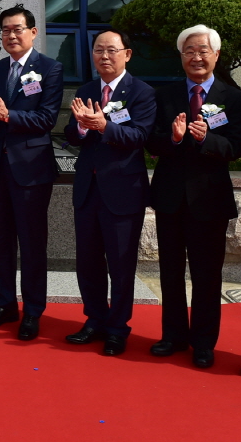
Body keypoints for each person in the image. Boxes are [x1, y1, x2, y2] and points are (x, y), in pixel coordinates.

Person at [147, 24, 241, 368]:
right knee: (170, 270)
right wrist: (174, 138)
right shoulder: (164, 96)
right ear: (181, 57)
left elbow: (235, 147)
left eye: (203, 51)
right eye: (189, 51)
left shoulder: (233, 98)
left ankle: (204, 342)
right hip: (170, 196)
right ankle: (173, 336)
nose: (196, 57)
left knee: (207, 274)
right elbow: (152, 142)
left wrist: (207, 138)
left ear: (216, 55)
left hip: (210, 198)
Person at [62, 28, 155, 356]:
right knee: (87, 261)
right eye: (98, 50)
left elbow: (140, 136)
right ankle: (94, 319)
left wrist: (104, 126)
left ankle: (118, 328)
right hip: (88, 189)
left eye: (111, 50)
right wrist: (81, 127)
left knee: (120, 264)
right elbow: (69, 134)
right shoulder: (86, 89)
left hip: (123, 192)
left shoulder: (141, 92)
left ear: (127, 54)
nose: (104, 56)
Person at [0, 5, 64, 341]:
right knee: (1, 241)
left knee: (31, 242)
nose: (11, 36)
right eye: (5, 31)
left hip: (31, 169)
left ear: (32, 32)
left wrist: (8, 115)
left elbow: (46, 120)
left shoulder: (50, 69)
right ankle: (5, 302)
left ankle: (33, 311)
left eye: (17, 29)